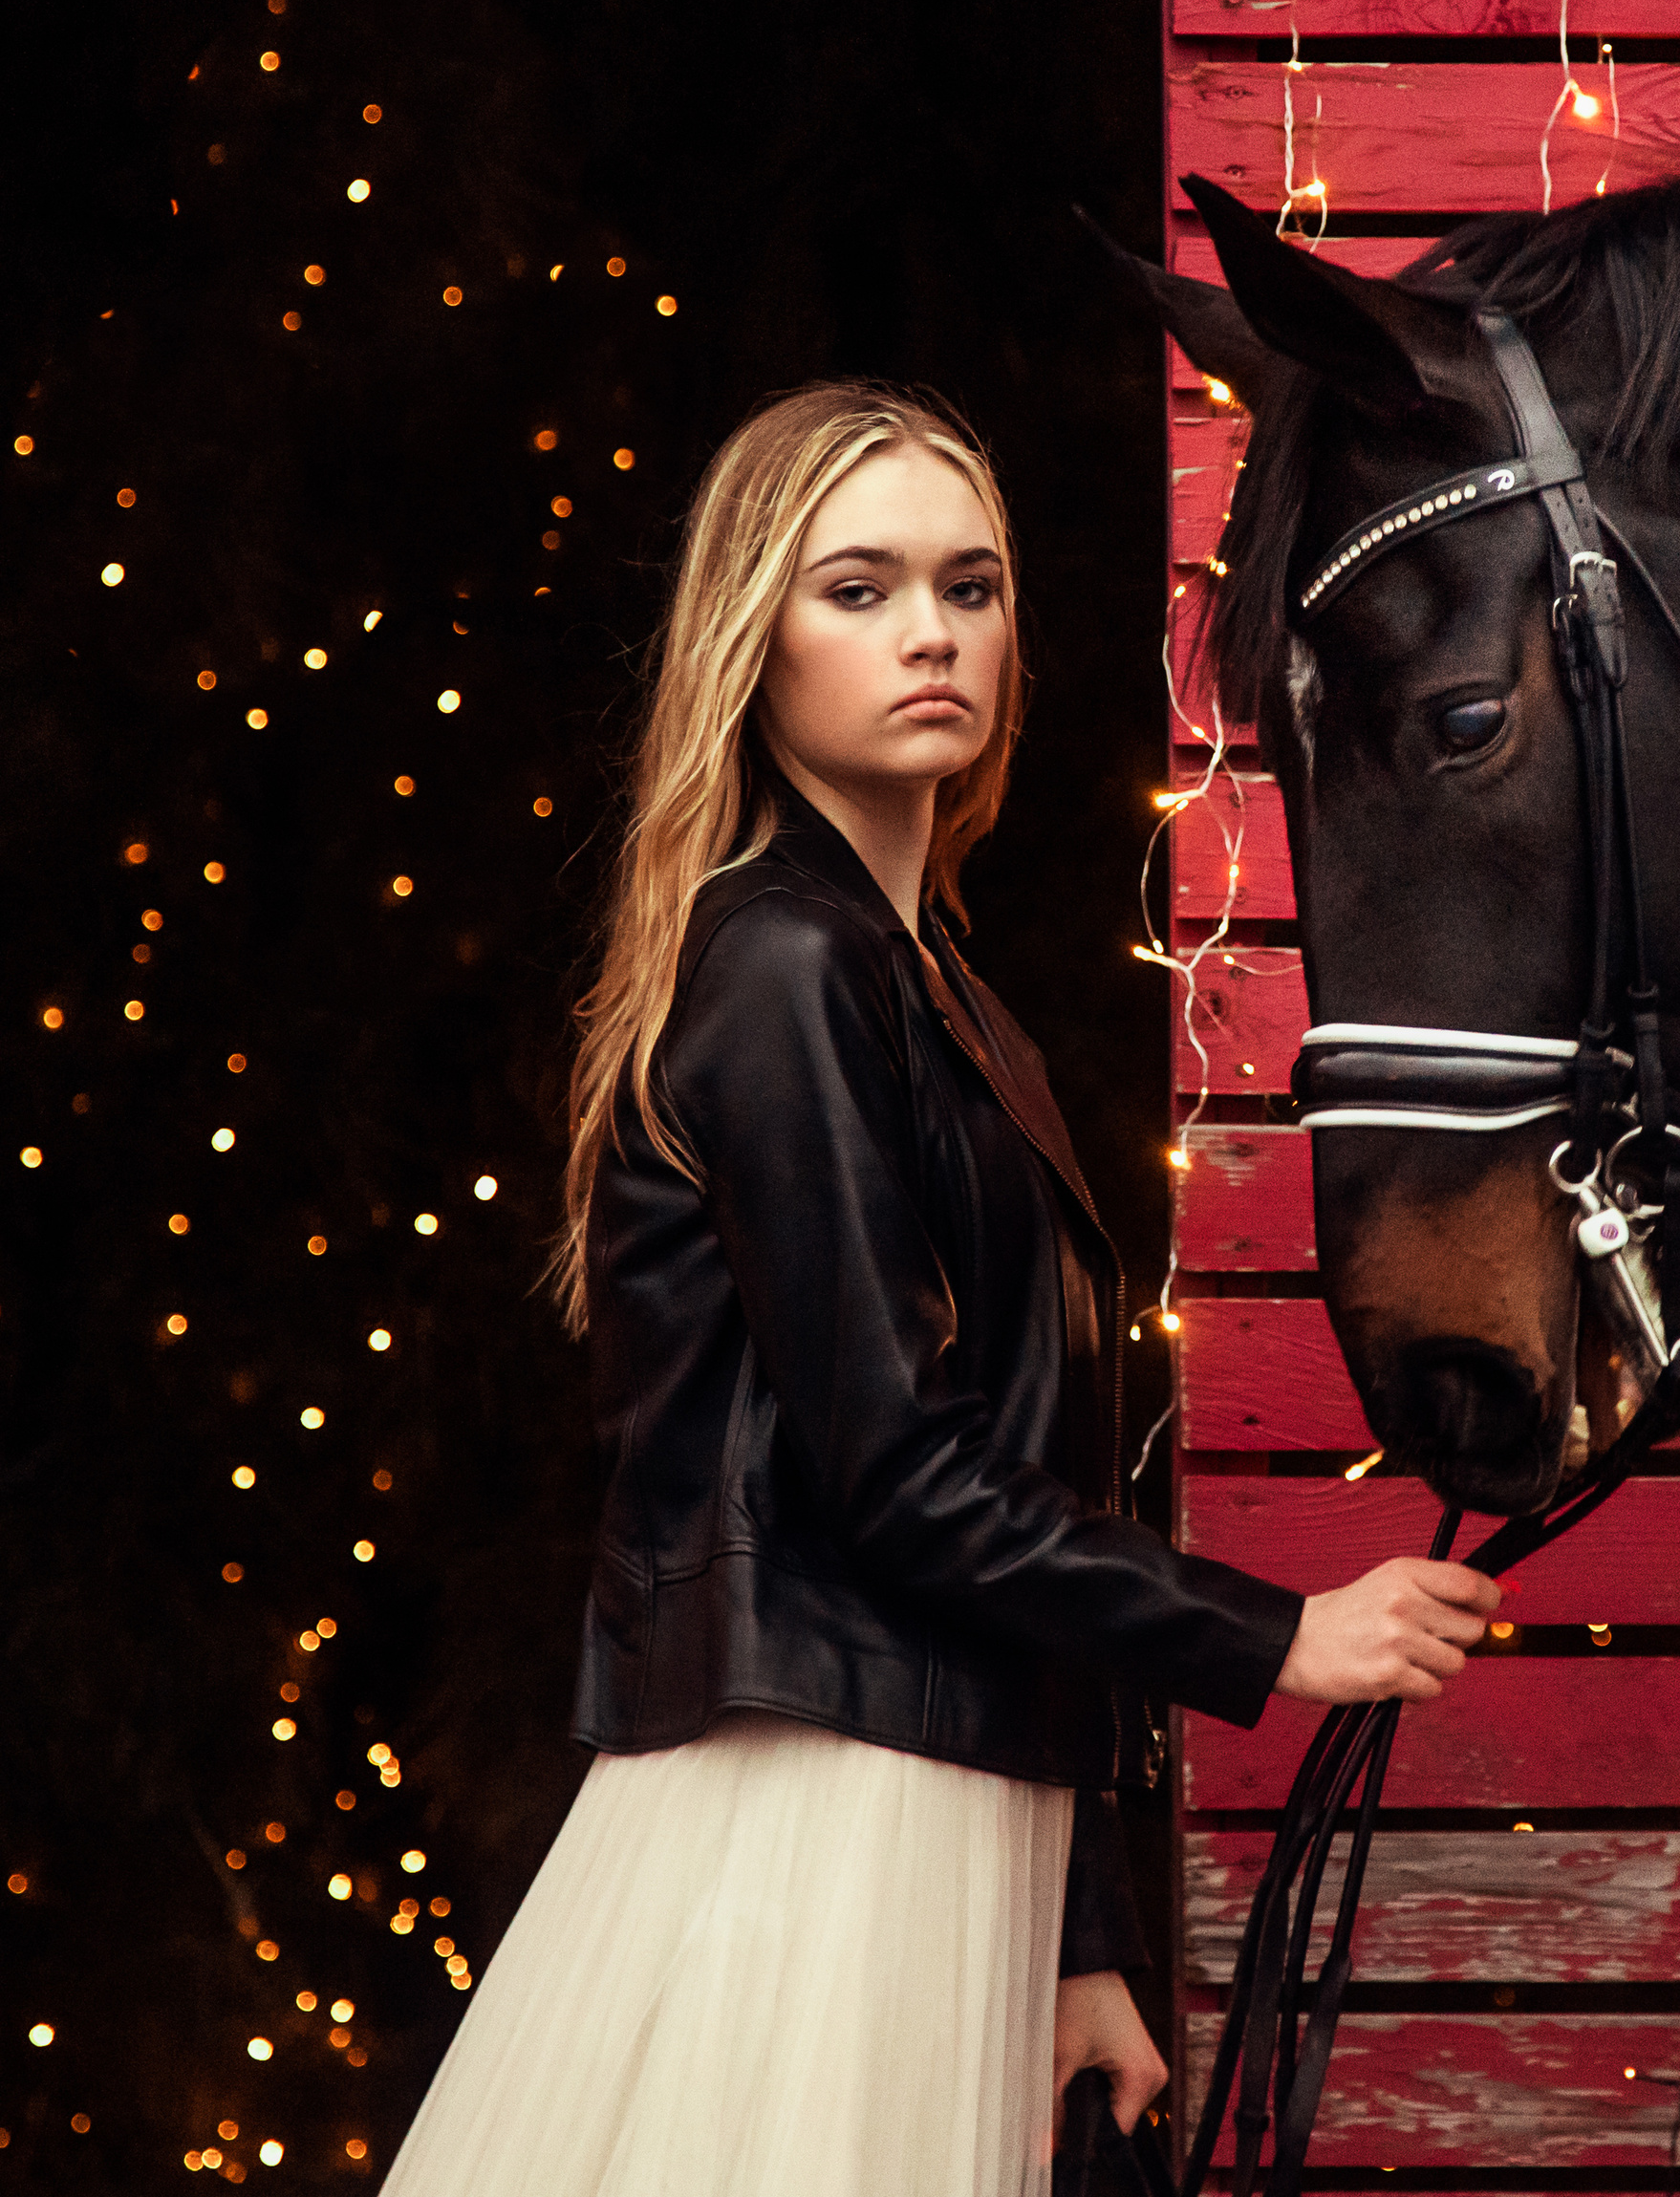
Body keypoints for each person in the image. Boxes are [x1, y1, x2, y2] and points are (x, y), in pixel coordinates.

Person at [377, 379, 1502, 2197]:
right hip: (819, 1804)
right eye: (861, 586)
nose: (930, 632)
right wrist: (1277, 1634)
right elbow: (897, 1476)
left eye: (969, 587)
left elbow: (1017, 1481)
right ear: (755, 639)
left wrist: (1075, 1936)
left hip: (935, 1805)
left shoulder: (932, 985)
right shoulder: (787, 965)